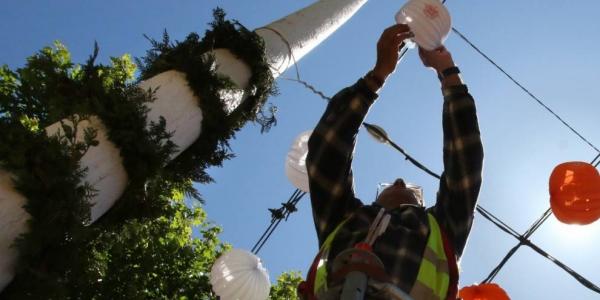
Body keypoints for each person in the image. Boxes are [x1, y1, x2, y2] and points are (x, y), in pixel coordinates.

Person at [300, 24, 484, 300]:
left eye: (408, 185)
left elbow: (464, 159)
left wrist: (448, 72)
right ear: (375, 200)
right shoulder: (346, 217)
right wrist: (376, 76)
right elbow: (328, 149)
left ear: (422, 205)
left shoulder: (443, 226)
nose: (399, 180)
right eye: (393, 183)